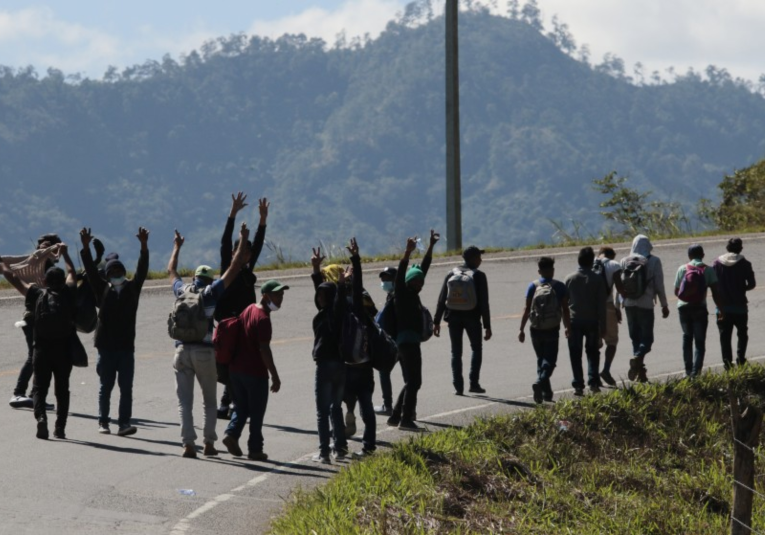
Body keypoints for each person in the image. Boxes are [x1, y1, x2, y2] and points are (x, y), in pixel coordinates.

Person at [168, 224, 251, 458]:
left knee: (185, 402)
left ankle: (187, 444)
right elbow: (234, 268)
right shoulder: (212, 293)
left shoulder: (182, 291)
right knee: (210, 402)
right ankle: (209, 444)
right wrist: (243, 239)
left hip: (181, 351)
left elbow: (171, 270)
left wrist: (177, 247)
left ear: (194, 277)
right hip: (205, 352)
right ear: (210, 279)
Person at [1, 244, 77, 440]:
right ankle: (60, 428)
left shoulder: (36, 294)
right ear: (61, 281)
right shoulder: (69, 292)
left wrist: (2, 266)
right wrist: (66, 253)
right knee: (62, 390)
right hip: (64, 351)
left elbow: (15, 279)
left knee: (39, 389)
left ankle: (41, 418)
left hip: (41, 350)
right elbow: (72, 272)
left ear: (44, 280)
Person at [80, 227, 149, 436]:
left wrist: (144, 246)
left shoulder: (132, 289)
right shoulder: (102, 289)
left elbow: (143, 269)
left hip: (126, 347)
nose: (117, 275)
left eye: (120, 272)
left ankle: (124, 423)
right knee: (106, 386)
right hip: (106, 347)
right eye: (113, 273)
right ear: (108, 275)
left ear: (124, 273)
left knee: (126, 388)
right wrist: (85, 247)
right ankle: (103, 422)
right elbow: (91, 271)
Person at [214, 193, 269, 420]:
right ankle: (229, 403)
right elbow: (225, 241)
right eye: (244, 251)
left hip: (245, 325)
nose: (248, 254)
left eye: (248, 252)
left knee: (238, 364)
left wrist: (263, 220)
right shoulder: (229, 269)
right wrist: (232, 214)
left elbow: (257, 244)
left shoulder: (247, 270)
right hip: (228, 323)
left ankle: (228, 403)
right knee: (228, 363)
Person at [221, 279, 285, 461]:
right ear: (265, 296)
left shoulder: (249, 309)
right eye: (277, 295)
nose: (280, 298)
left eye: (281, 295)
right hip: (254, 372)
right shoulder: (263, 319)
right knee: (257, 412)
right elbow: (264, 350)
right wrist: (275, 376)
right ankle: (255, 449)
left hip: (236, 370)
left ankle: (231, 434)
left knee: (241, 406)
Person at [387, 230, 439, 431]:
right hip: (406, 343)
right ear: (408, 282)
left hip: (409, 343)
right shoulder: (402, 293)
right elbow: (402, 274)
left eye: (420, 282)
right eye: (414, 281)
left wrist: (431, 247)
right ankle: (406, 420)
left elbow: (422, 270)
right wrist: (407, 253)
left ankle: (395, 416)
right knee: (415, 382)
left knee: (411, 381)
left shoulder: (413, 293)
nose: (418, 283)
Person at [3, 235, 62, 410]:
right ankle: (19, 393)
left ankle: (34, 395)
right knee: (35, 356)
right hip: (35, 318)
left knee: (42, 357)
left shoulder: (43, 265)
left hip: (41, 317)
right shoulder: (33, 262)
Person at [308, 246, 349, 463]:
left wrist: (341, 285)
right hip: (340, 366)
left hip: (325, 366)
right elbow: (323, 290)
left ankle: (324, 452)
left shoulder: (336, 313)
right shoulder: (328, 313)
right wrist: (316, 269)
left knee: (323, 412)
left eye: (324, 295)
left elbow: (337, 299)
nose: (320, 297)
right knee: (335, 408)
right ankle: (340, 449)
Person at [433, 245, 492, 395]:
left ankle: (458, 387)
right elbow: (484, 303)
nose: (480, 260)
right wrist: (487, 326)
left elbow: (441, 299)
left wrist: (436, 321)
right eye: (479, 257)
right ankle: (474, 383)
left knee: (456, 353)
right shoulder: (479, 276)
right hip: (472, 316)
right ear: (472, 259)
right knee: (476, 349)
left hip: (453, 317)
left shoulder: (451, 273)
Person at [518, 256, 570, 403]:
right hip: (552, 328)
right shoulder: (559, 287)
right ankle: (540, 383)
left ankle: (546, 393)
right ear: (552, 270)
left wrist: (521, 329)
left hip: (535, 328)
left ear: (539, 271)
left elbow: (527, 309)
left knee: (541, 360)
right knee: (550, 361)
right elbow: (565, 310)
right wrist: (568, 327)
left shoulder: (532, 286)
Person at [620, 234, 670, 383]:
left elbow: (620, 285)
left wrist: (619, 305)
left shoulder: (623, 261)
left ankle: (641, 372)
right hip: (646, 304)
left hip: (629, 305)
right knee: (647, 339)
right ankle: (638, 358)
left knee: (635, 338)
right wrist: (664, 305)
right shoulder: (653, 261)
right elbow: (659, 285)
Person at [344, 238, 377, 458]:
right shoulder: (362, 308)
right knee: (368, 405)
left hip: (346, 364)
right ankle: (368, 446)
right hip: (365, 364)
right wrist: (356, 260)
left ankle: (340, 443)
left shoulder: (338, 307)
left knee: (338, 401)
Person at [674, 244, 723, 377]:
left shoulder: (682, 269)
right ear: (702, 255)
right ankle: (696, 373)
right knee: (700, 341)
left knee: (687, 338)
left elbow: (677, 292)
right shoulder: (708, 270)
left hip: (683, 308)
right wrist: (720, 309)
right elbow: (715, 293)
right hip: (699, 308)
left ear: (689, 256)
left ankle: (688, 371)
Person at [565, 247, 607, 396]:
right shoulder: (597, 279)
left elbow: (564, 304)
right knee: (593, 352)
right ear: (591, 262)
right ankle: (593, 382)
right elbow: (601, 305)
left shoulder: (570, 278)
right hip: (592, 321)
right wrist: (604, 326)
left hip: (574, 321)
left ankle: (578, 384)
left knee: (575, 353)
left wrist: (566, 325)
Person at [713, 238, 756, 370]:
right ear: (740, 248)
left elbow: (712, 284)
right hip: (740, 307)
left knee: (724, 336)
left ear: (727, 248)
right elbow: (752, 284)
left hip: (722, 307)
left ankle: (727, 363)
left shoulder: (716, 263)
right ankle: (741, 359)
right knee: (742, 334)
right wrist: (742, 289)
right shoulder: (745, 264)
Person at [595, 247, 624, 386]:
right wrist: (618, 308)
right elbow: (620, 289)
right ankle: (605, 370)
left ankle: (593, 375)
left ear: (599, 254)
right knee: (612, 341)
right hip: (607, 306)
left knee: (594, 343)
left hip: (591, 309)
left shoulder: (590, 262)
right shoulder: (614, 265)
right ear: (611, 255)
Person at [373, 266, 397, 416]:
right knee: (385, 372)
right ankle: (408, 408)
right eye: (383, 279)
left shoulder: (399, 295)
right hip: (395, 341)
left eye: (387, 279)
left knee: (384, 371)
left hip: (396, 342)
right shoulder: (391, 295)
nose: (384, 282)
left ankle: (388, 405)